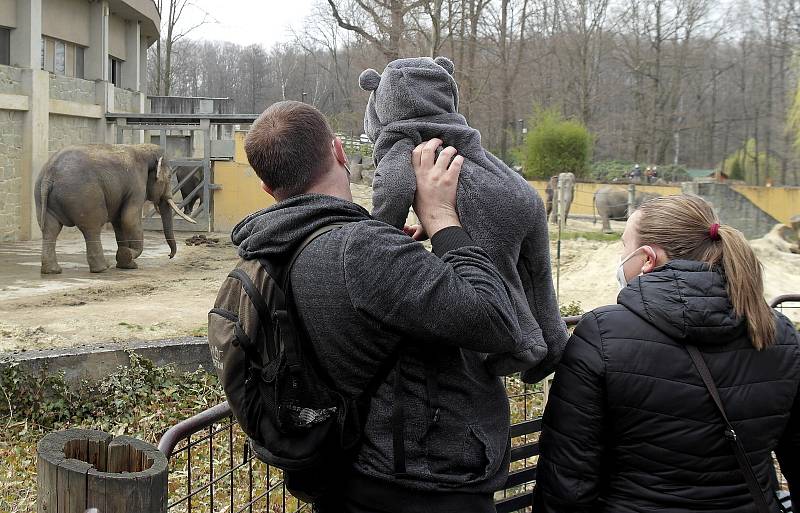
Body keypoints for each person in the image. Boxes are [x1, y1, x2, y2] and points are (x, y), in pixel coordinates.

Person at [234, 100, 527, 512]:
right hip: (422, 488)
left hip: (344, 473)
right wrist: (443, 218)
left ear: (268, 189)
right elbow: (496, 321)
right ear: (339, 151)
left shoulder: (272, 248)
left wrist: (399, 258)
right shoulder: (362, 250)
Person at [534, 194, 799, 513]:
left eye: (623, 246)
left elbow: (568, 478)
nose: (620, 256)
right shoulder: (778, 332)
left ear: (647, 258)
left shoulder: (602, 334)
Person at [359, 56, 567, 380]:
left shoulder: (401, 137)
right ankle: (554, 344)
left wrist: (381, 230)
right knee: (538, 281)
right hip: (518, 192)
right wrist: (430, 228)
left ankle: (523, 346)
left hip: (483, 205)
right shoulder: (454, 126)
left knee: (500, 282)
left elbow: (395, 186)